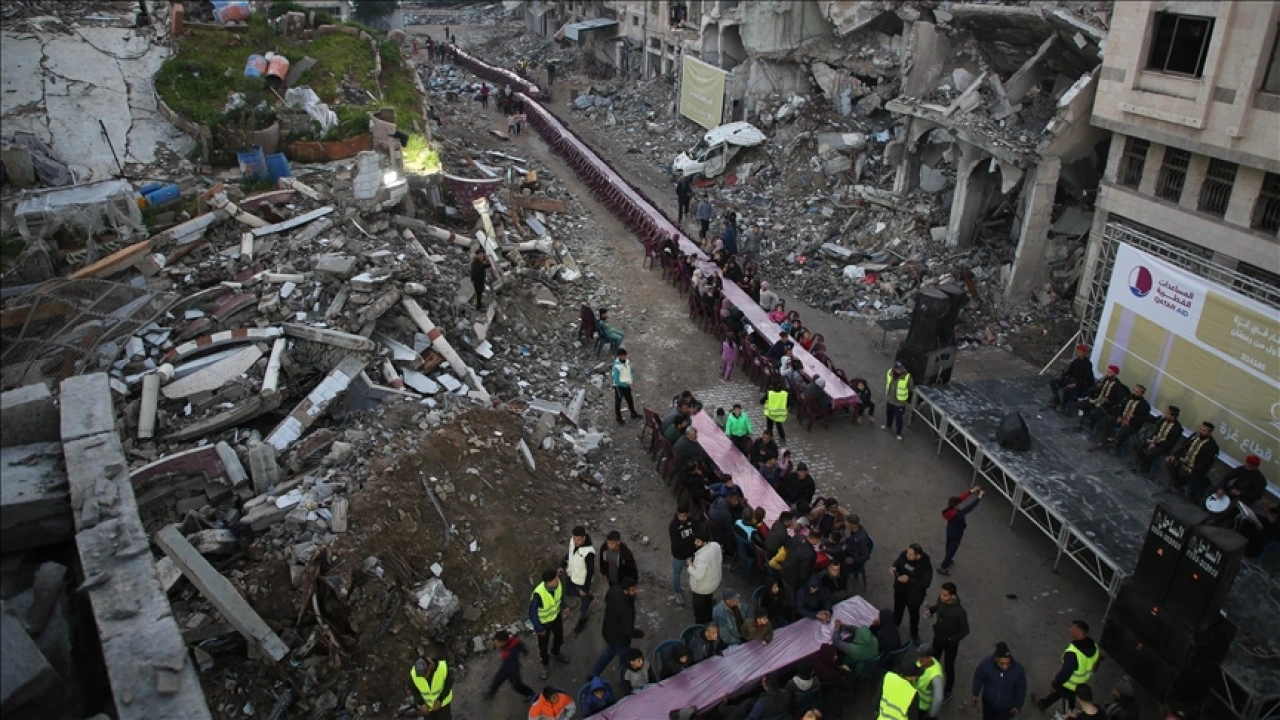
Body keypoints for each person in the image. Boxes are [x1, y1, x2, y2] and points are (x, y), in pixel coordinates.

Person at [1033, 620, 1101, 712]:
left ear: (1078, 631)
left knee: (1067, 700)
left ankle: (1070, 714)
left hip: (1069, 684)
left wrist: (1055, 684)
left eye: (1072, 628)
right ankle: (1043, 704)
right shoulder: (1095, 646)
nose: (1069, 629)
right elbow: (1096, 662)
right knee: (1061, 694)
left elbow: (1065, 673)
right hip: (1081, 683)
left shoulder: (1072, 653)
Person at [589, 576, 643, 680]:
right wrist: (639, 633)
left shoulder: (614, 591)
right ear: (625, 591)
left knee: (609, 652)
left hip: (609, 631)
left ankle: (593, 673)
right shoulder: (625, 608)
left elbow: (607, 599)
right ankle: (623, 678)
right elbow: (627, 631)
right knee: (624, 661)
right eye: (633, 590)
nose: (636, 591)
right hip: (621, 640)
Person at [924, 582, 969, 703]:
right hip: (938, 637)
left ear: (952, 596)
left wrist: (952, 639)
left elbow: (965, 630)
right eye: (941, 594)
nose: (942, 597)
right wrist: (931, 611)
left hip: (950, 644)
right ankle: (931, 679)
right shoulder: (941, 600)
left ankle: (948, 691)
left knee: (949, 667)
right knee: (933, 660)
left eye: (945, 595)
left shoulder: (960, 612)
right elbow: (938, 607)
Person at [529, 569, 570, 680]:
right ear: (548, 582)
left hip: (556, 618)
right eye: (555, 580)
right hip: (544, 624)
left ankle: (555, 653)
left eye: (557, 578)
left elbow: (560, 597)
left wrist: (565, 607)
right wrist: (539, 628)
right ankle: (545, 664)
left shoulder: (558, 584)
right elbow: (532, 613)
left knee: (559, 638)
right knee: (543, 647)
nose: (557, 581)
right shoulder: (539, 594)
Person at [1165, 421, 1220, 501]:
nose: (1201, 431)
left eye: (1204, 431)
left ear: (1210, 433)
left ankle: (1187, 496)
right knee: (1170, 461)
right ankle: (1177, 483)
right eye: (1201, 429)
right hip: (1186, 462)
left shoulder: (1212, 446)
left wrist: (1191, 469)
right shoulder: (1196, 437)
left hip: (1196, 469)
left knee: (1192, 476)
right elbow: (1185, 447)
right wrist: (1174, 455)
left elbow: (1205, 463)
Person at [971, 641, 1027, 720]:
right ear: (996, 659)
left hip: (1006, 707)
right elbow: (978, 677)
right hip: (988, 703)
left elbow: (1021, 689)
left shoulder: (1018, 670)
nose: (1005, 666)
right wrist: (975, 693)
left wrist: (1018, 705)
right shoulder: (986, 664)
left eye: (1008, 663)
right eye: (1002, 663)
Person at [891, 543, 933, 643]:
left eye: (911, 555)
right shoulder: (904, 554)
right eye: (908, 553)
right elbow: (897, 562)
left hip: (914, 596)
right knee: (897, 609)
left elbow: (926, 583)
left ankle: (914, 634)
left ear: (918, 556)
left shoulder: (925, 566)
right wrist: (894, 567)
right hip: (900, 590)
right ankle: (895, 624)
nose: (907, 556)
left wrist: (909, 580)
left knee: (914, 616)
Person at [938, 486, 983, 574]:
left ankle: (948, 558)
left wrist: (971, 491)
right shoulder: (959, 514)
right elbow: (970, 507)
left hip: (949, 530)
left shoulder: (948, 511)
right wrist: (979, 497)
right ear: (956, 505)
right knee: (953, 549)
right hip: (957, 534)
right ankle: (944, 565)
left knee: (948, 545)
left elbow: (959, 499)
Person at [562, 526, 596, 635]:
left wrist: (585, 588)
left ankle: (583, 619)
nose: (576, 542)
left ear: (584, 538)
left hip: (582, 582)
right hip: (571, 574)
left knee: (584, 602)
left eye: (578, 539)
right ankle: (587, 596)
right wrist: (563, 563)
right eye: (574, 539)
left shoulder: (589, 553)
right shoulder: (572, 542)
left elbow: (590, 572)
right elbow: (570, 553)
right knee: (568, 591)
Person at [1132, 405, 1182, 475]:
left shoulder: (1178, 429)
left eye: (1167, 413)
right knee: (1138, 445)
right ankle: (1139, 463)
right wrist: (1150, 439)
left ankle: (1145, 467)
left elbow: (1169, 443)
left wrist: (1156, 444)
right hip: (1154, 441)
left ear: (1173, 416)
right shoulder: (1163, 420)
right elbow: (1157, 432)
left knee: (1149, 452)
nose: (1165, 414)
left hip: (1163, 447)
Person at [486, 630, 535, 701]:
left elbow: (519, 647)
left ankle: (530, 694)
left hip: (512, 669)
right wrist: (525, 652)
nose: (496, 643)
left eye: (498, 642)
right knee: (497, 679)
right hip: (506, 666)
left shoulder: (510, 652)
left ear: (504, 641)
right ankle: (491, 693)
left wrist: (525, 652)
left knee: (516, 685)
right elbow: (520, 645)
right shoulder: (513, 642)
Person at [1097, 384, 1150, 449]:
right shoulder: (1128, 398)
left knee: (1123, 431)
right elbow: (1121, 407)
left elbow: (1143, 418)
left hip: (1132, 424)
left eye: (1137, 392)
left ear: (1142, 394)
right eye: (1134, 391)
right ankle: (1106, 439)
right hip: (1122, 418)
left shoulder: (1144, 406)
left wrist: (1131, 420)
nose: (1134, 393)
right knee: (1107, 420)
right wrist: (1119, 416)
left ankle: (1117, 447)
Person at [688, 531, 723, 624]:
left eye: (697, 541)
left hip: (701, 588)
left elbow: (698, 575)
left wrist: (690, 566)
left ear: (704, 542)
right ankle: (709, 617)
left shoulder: (702, 557)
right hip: (714, 582)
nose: (695, 542)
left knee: (698, 608)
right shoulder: (716, 546)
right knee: (708, 601)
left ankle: (699, 625)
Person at [669, 504, 700, 607]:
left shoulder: (693, 521)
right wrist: (691, 539)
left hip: (692, 554)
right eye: (680, 516)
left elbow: (699, 533)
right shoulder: (673, 526)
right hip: (679, 556)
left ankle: (698, 591)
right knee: (676, 575)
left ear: (688, 514)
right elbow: (677, 544)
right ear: (677, 514)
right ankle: (678, 592)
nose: (682, 518)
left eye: (684, 516)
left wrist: (688, 541)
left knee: (695, 573)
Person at [1049, 344, 1095, 411]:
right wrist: (1061, 376)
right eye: (1077, 352)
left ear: (1084, 353)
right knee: (1053, 381)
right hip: (1071, 379)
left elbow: (1087, 379)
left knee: (1066, 389)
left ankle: (1063, 404)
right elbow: (1069, 370)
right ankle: (1057, 398)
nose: (1078, 353)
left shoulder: (1088, 365)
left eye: (1080, 352)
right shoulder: (1076, 361)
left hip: (1079, 384)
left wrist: (1076, 384)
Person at [781, 528, 821, 602]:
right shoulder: (810, 554)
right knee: (789, 599)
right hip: (792, 580)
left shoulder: (798, 537)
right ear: (817, 539)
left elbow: (786, 545)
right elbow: (803, 575)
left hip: (784, 568)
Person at [839, 515, 873, 584]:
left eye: (847, 522)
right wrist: (846, 540)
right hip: (850, 552)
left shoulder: (862, 539)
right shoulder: (855, 530)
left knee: (840, 566)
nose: (845, 523)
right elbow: (851, 539)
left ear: (852, 524)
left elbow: (866, 556)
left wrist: (854, 560)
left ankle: (842, 583)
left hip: (855, 561)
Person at [914, 645, 946, 718]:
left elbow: (938, 698)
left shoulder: (935, 677)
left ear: (929, 657)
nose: (919, 659)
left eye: (922, 657)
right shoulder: (923, 662)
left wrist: (931, 715)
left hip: (924, 706)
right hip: (917, 699)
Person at [884, 361, 912, 440]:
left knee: (899, 418)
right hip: (890, 399)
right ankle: (888, 426)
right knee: (889, 414)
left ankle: (898, 433)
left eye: (901, 369)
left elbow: (911, 387)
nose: (900, 370)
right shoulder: (889, 372)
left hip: (900, 402)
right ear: (895, 369)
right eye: (898, 369)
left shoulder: (907, 377)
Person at [611, 348, 641, 424]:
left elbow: (629, 371)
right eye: (624, 356)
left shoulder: (627, 362)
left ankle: (633, 413)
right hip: (619, 387)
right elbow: (617, 381)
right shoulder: (617, 368)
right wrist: (626, 383)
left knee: (630, 399)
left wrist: (631, 379)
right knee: (618, 402)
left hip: (627, 385)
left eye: (625, 355)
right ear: (620, 356)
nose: (625, 357)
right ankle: (619, 417)